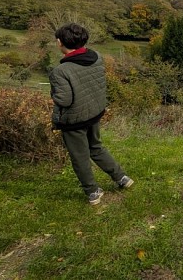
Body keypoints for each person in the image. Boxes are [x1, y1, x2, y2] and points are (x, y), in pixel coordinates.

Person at [49, 23, 133, 205]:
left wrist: (53, 93)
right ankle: (122, 178)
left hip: (74, 120)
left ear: (59, 42)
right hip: (94, 112)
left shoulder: (60, 71)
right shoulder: (96, 57)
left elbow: (64, 101)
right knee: (96, 147)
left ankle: (92, 192)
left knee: (79, 156)